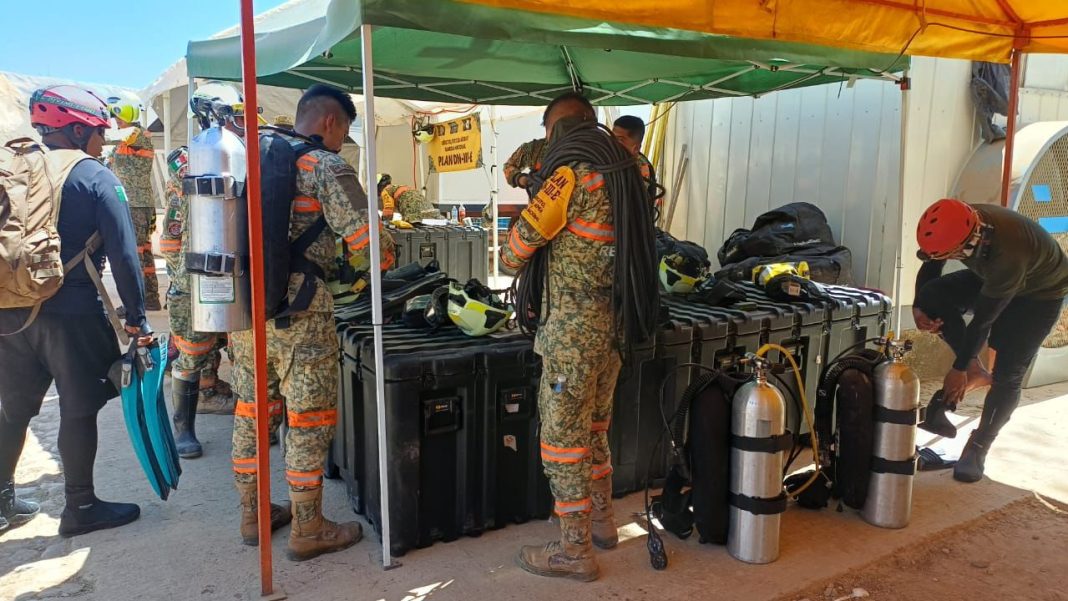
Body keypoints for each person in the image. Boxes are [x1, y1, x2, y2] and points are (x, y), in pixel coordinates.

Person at [229, 84, 395, 559]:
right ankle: (308, 528)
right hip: (303, 314)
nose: (342, 140)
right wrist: (381, 256)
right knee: (307, 420)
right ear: (330, 122)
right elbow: (372, 245)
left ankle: (253, 515)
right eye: (345, 130)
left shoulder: (248, 157)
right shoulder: (325, 165)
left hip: (246, 312)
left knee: (252, 411)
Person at [500, 92, 658, 581]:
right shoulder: (632, 172)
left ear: (555, 131)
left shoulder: (571, 177)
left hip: (571, 334)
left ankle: (574, 551)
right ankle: (603, 523)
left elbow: (513, 254)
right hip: (615, 326)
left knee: (563, 440)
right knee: (595, 428)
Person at [0, 86, 151, 536]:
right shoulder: (95, 176)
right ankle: (81, 508)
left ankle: (2, 504)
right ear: (79, 131)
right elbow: (124, 254)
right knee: (78, 407)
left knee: (13, 410)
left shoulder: (16, 168)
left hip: (9, 308)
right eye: (100, 133)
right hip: (72, 311)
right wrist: (136, 318)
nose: (103, 143)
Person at [913, 198, 1068, 482]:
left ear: (968, 241)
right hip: (996, 276)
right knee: (932, 297)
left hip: (1039, 294)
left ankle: (979, 446)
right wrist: (919, 306)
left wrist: (958, 367)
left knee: (1008, 374)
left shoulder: (1008, 253)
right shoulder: (955, 219)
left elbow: (983, 322)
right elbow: (933, 265)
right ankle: (973, 372)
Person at [158, 146, 237, 460]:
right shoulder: (181, 196)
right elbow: (170, 243)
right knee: (191, 355)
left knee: (239, 352)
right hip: (190, 288)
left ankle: (251, 420)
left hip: (232, 284)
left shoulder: (233, 189)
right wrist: (180, 274)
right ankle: (184, 430)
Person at [106, 101, 161, 311]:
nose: (116, 121)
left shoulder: (137, 135)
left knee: (133, 253)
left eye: (120, 117)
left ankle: (135, 304)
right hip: (134, 202)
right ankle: (150, 299)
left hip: (136, 204)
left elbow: (117, 138)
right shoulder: (126, 140)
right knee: (143, 252)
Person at [612, 115, 659, 206]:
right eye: (612, 138)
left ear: (636, 148)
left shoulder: (641, 167)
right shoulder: (612, 160)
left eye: (620, 140)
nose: (613, 143)